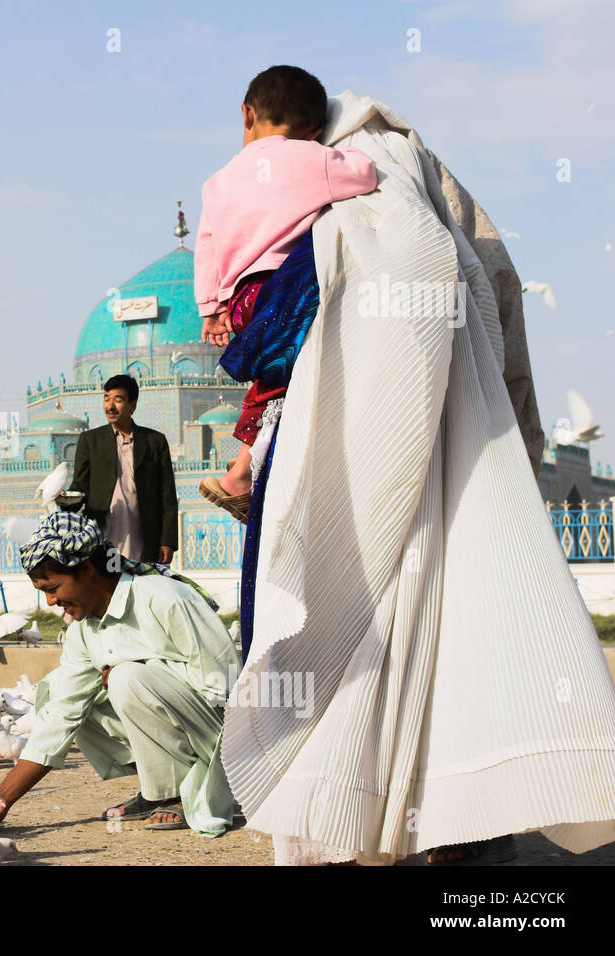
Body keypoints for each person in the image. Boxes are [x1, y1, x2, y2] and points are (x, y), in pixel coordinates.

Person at [221, 88, 615, 866]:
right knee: (471, 630)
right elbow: (501, 310)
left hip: (344, 460)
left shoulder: (325, 212)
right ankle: (464, 822)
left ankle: (359, 818)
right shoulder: (436, 200)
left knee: (351, 634)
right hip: (468, 450)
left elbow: (260, 346)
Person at [195, 65, 377, 521]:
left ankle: (240, 471)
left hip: (240, 301)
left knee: (278, 382)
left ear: (246, 114)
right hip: (285, 290)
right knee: (285, 378)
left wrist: (212, 309)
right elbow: (367, 175)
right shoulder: (310, 159)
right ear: (315, 130)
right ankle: (245, 474)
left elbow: (207, 245)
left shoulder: (217, 182)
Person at [0, 512, 237, 835]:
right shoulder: (83, 630)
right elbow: (60, 718)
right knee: (65, 694)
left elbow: (225, 684)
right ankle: (158, 789)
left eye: (53, 588)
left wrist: (145, 670)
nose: (50, 602)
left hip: (225, 737)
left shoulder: (163, 598)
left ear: (86, 570)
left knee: (125, 678)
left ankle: (192, 789)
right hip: (185, 723)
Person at [68, 374, 177, 564]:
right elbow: (80, 486)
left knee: (141, 587)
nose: (110, 406)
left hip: (143, 534)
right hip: (104, 533)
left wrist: (167, 541)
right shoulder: (91, 441)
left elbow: (167, 496)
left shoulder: (154, 441)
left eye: (117, 400)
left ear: (133, 404)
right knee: (109, 588)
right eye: (106, 398)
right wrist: (64, 500)